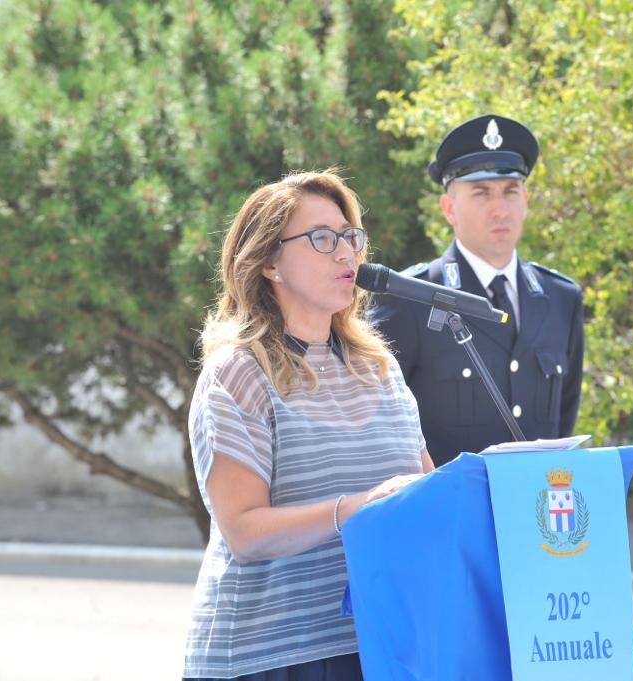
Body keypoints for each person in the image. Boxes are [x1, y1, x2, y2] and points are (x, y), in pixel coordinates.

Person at [182, 170, 434, 681]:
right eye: (322, 239)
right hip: (271, 656)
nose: (346, 254)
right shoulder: (239, 373)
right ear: (270, 261)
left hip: (378, 645)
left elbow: (424, 493)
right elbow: (246, 531)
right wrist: (354, 509)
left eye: (351, 237)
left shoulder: (379, 369)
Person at [370, 114, 584, 467]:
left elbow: (564, 419)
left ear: (526, 201)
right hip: (448, 514)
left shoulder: (561, 298)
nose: (500, 208)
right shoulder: (410, 298)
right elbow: (381, 428)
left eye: (510, 191)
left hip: (533, 513)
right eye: (481, 193)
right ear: (449, 208)